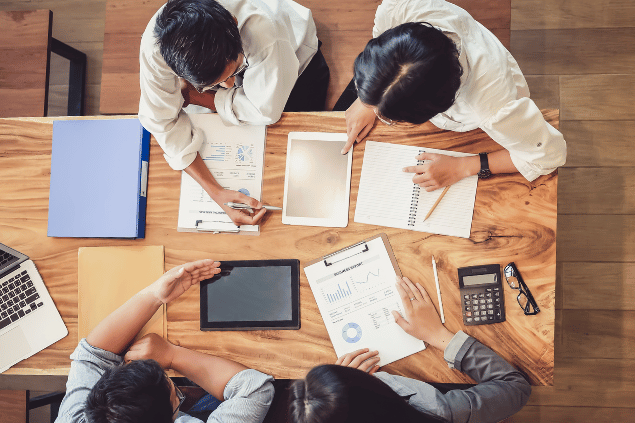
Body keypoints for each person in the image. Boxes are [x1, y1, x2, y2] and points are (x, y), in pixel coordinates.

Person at [335, 0, 566, 192]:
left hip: (491, 98)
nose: (379, 113)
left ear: (438, 106)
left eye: (389, 118)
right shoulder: (399, 7)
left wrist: (463, 166)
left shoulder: (492, 109)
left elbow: (548, 156)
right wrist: (370, 98)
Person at [139, 0, 330, 225]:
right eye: (215, 83)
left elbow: (265, 111)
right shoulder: (155, 50)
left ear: (234, 22)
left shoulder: (264, 29)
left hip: (294, 58)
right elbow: (161, 122)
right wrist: (216, 193)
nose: (230, 86)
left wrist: (202, 96)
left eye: (237, 70)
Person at [55, 259, 275, 423]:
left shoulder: (76, 418)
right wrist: (172, 355)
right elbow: (255, 389)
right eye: (169, 386)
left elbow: (92, 355)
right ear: (174, 411)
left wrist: (153, 295)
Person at [289, 276, 531, 423]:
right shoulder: (439, 411)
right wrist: (438, 335)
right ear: (379, 394)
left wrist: (334, 397)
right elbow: (515, 388)